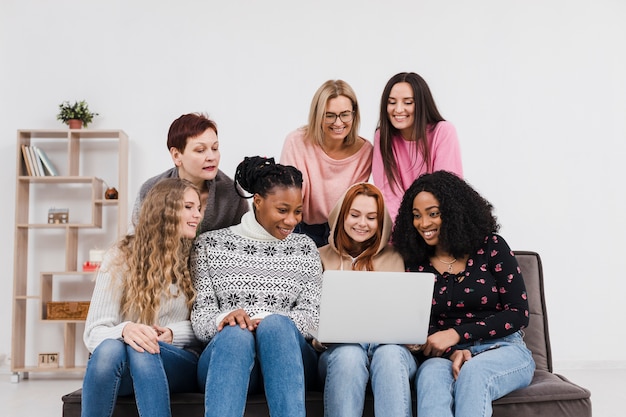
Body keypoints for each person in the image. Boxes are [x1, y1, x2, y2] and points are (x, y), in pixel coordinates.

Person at [391, 171, 535, 417]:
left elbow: (517, 314)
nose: (423, 224)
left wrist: (457, 333)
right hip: (443, 355)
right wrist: (452, 349)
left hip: (503, 348)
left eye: (433, 213)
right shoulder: (415, 262)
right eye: (416, 216)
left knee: (474, 373)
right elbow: (420, 323)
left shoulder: (492, 247)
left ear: (455, 211)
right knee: (430, 380)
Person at [191, 156, 322, 417]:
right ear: (258, 202)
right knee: (234, 332)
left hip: (289, 357)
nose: (292, 221)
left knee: (275, 326)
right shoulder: (208, 245)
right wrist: (225, 319)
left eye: (297, 211)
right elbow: (200, 318)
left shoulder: (305, 248)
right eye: (282, 210)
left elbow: (314, 317)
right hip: (231, 359)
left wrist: (265, 320)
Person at [82, 178, 203, 417]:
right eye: (189, 207)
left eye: (199, 208)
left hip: (179, 361)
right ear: (165, 211)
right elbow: (93, 333)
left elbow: (204, 323)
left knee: (144, 347)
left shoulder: (196, 256)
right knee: (110, 350)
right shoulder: (120, 257)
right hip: (127, 360)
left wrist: (172, 334)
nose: (197, 215)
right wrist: (126, 330)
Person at [317, 182, 417, 417]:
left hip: (391, 352)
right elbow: (309, 318)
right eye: (355, 215)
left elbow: (411, 315)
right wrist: (322, 337)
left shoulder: (398, 257)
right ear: (342, 215)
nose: (362, 223)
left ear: (381, 223)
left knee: (389, 356)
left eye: (372, 217)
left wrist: (413, 336)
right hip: (338, 353)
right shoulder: (318, 256)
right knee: (349, 355)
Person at [280, 79, 373, 247]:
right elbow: (289, 197)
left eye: (345, 114)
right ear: (318, 115)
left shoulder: (365, 152)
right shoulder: (296, 141)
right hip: (299, 228)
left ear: (354, 113)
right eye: (329, 115)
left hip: (341, 231)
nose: (338, 123)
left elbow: (353, 205)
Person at [132, 112, 249, 234]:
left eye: (215, 148)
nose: (211, 157)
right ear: (176, 155)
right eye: (200, 150)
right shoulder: (150, 189)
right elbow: (137, 240)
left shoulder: (233, 194)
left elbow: (245, 241)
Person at [372, 72, 463, 222]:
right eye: (392, 102)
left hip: (438, 222)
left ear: (421, 104)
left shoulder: (443, 131)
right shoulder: (383, 136)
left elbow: (446, 191)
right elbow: (388, 195)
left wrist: (424, 224)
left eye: (408, 102)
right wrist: (404, 232)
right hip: (401, 226)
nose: (398, 109)